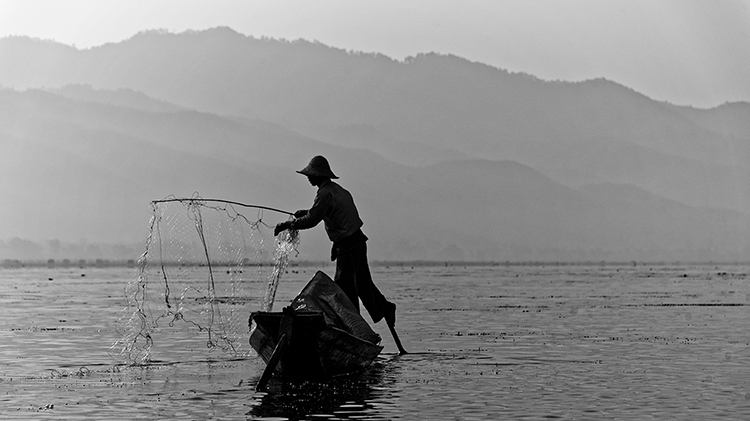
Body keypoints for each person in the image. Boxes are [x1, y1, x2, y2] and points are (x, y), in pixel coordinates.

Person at [274, 155, 397, 328]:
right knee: (362, 284)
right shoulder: (337, 190)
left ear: (319, 175)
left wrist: (289, 224)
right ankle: (384, 308)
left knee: (343, 288)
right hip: (358, 242)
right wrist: (307, 212)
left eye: (311, 174)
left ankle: (353, 327)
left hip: (348, 245)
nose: (308, 177)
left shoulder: (325, 194)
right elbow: (319, 212)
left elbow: (312, 220)